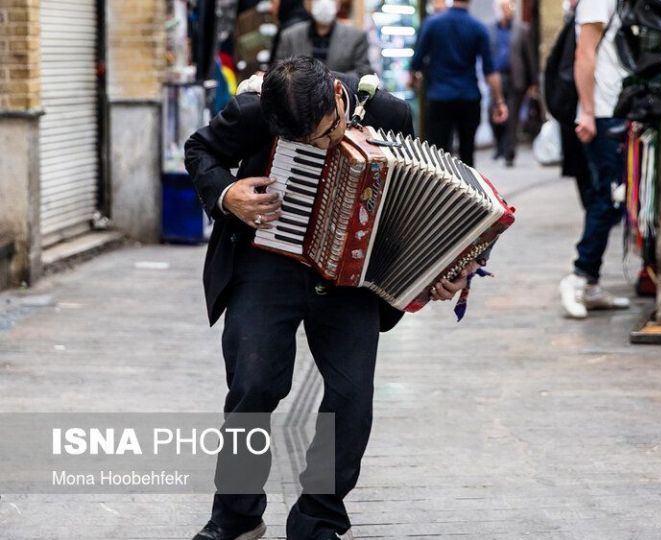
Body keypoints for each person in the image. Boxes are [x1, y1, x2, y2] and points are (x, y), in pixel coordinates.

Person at [184, 56, 476, 540]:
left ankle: (318, 516)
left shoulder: (389, 114)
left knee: (350, 396)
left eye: (328, 132)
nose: (324, 145)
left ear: (338, 100)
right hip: (267, 260)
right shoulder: (255, 109)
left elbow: (434, 204)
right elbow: (201, 151)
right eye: (307, 143)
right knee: (253, 385)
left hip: (351, 276)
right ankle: (237, 515)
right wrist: (227, 193)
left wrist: (450, 269)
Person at [558, 0, 632, 319]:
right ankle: (579, 276)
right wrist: (587, 112)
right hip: (601, 114)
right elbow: (584, 54)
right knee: (606, 197)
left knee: (612, 199)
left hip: (613, 110)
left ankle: (590, 281)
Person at [410, 0, 508, 167]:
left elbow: (416, 63)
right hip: (468, 98)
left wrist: (414, 82)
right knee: (467, 154)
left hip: (439, 98)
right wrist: (499, 102)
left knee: (438, 153)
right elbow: (490, 71)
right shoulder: (478, 27)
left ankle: (439, 191)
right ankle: (466, 191)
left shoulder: (432, 24)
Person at [488, 0, 538, 167]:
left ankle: (509, 153)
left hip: (516, 79)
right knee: (492, 113)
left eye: (509, 7)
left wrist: (533, 82)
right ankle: (500, 146)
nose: (507, 10)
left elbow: (529, 56)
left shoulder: (522, 29)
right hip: (496, 78)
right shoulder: (491, 29)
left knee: (512, 118)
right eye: (503, 7)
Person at [274, 0, 373, 77]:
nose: (324, 2)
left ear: (338, 3)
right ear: (306, 3)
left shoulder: (356, 36)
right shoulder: (289, 36)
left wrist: (333, 80)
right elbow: (279, 71)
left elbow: (363, 72)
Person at [268, 0, 313, 65]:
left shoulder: (288, 30)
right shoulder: (304, 19)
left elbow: (275, 67)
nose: (271, 8)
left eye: (273, 3)